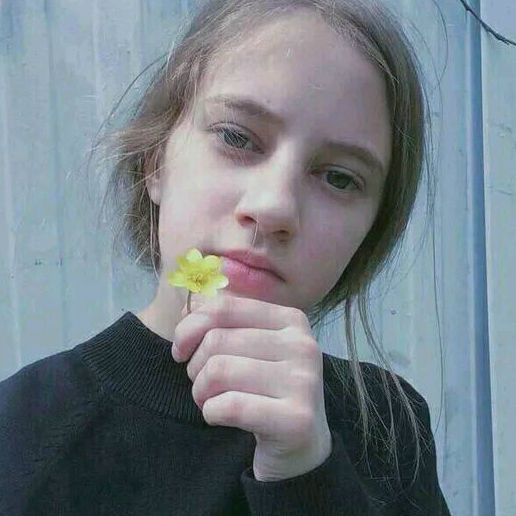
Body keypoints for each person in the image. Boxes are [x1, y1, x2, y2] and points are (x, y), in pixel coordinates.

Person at [0, 0, 452, 514]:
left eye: (339, 177)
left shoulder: (390, 432)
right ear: (155, 162)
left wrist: (307, 476)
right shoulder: (21, 436)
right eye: (237, 137)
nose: (274, 207)